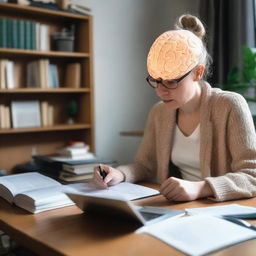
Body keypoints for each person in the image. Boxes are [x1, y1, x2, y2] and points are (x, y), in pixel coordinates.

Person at [94, 14, 256, 202]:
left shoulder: (229, 105)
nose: (161, 91)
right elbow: (145, 165)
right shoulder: (159, 112)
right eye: (156, 81)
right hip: (177, 208)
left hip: (218, 210)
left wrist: (201, 188)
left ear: (198, 72)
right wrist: (119, 173)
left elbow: (252, 175)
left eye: (171, 81)